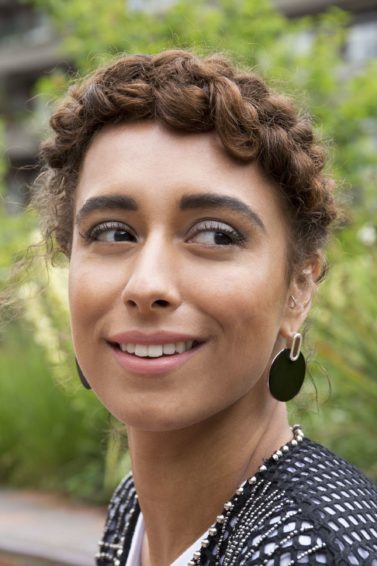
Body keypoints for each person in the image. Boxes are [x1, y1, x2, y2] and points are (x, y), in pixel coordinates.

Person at [33, 50, 377, 565]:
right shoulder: (136, 509)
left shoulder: (313, 551)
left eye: (215, 235)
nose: (147, 284)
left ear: (298, 288)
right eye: (112, 232)